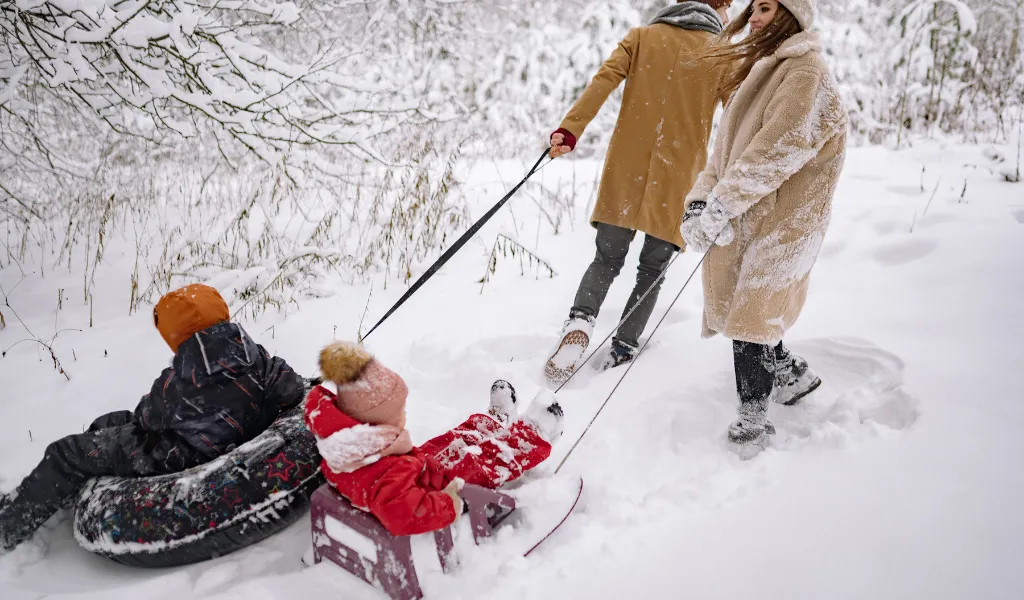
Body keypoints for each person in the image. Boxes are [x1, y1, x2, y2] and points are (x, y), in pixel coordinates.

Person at [0, 284, 306, 552]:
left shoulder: (178, 380)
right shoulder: (259, 356)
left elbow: (146, 418)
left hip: (181, 455)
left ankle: (9, 525)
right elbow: (291, 387)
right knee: (113, 422)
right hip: (232, 438)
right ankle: (75, 489)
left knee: (68, 452)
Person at [679, 0, 848, 449]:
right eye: (753, 8)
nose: (753, 17)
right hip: (751, 212)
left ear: (790, 16)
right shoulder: (761, 70)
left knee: (751, 318)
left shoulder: (806, 72)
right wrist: (699, 203)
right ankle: (795, 379)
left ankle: (752, 423)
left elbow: (775, 152)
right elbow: (724, 154)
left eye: (766, 9)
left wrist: (723, 204)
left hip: (787, 222)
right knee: (745, 311)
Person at [543, 0, 734, 383]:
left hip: (627, 170)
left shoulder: (643, 37)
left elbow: (602, 82)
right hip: (678, 180)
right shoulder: (722, 55)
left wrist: (569, 130)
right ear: (721, 8)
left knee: (606, 259)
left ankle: (579, 322)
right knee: (652, 270)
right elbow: (735, 120)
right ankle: (624, 347)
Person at [306, 342, 563, 536]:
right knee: (482, 463)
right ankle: (531, 438)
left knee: (451, 441)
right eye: (399, 412)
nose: (404, 414)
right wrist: (448, 503)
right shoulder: (385, 474)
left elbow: (384, 482)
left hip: (414, 473)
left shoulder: (349, 449)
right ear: (375, 423)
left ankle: (492, 425)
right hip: (433, 491)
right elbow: (403, 514)